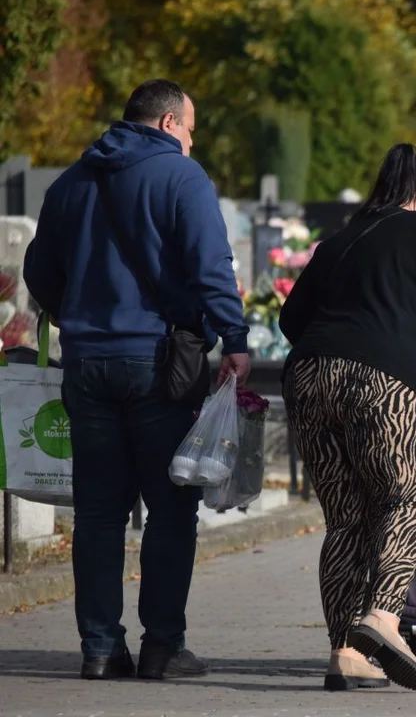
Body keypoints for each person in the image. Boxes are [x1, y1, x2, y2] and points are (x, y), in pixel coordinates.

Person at [22, 79, 250, 681]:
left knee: (97, 512)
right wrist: (236, 338)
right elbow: (210, 265)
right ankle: (162, 647)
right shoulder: (182, 178)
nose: (193, 140)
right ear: (170, 123)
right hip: (159, 364)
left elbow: (40, 271)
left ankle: (99, 648)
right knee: (172, 507)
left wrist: (80, 315)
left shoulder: (71, 182)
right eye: (192, 128)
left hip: (87, 363)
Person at [278, 143, 416, 692]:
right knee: (405, 498)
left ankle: (345, 655)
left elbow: (290, 320)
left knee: (347, 521)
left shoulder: (338, 241)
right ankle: (382, 619)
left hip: (310, 378)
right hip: (385, 383)